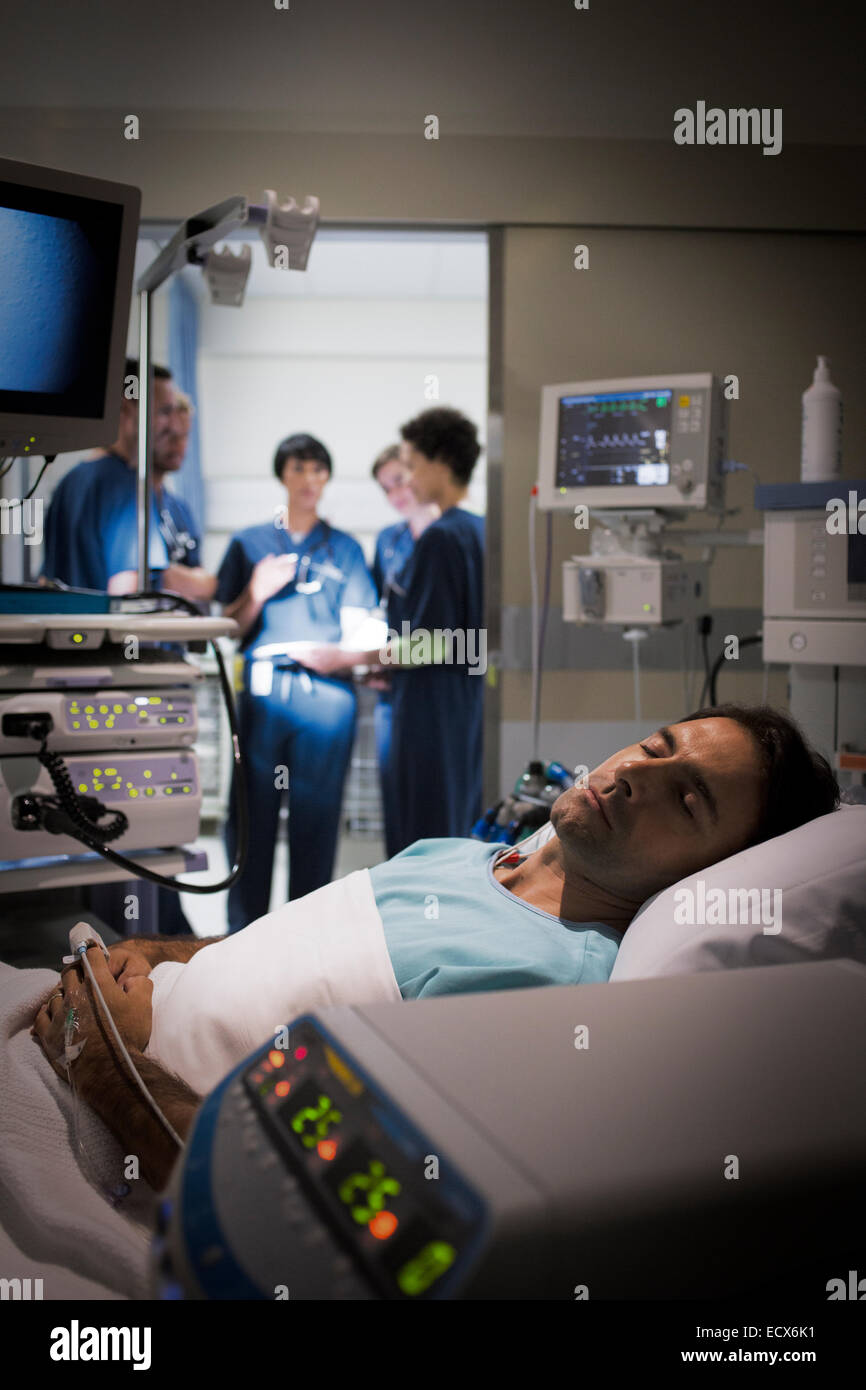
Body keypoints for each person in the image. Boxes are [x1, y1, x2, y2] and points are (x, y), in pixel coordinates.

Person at [33, 704, 840, 1188]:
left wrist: (105, 1062)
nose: (636, 774)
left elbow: (301, 1194)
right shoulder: (462, 858)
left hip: (102, 1130)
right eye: (659, 747)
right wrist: (152, 950)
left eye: (687, 799)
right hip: (85, 1030)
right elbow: (273, 948)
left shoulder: (552, 984)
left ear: (708, 873)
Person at [295, 407, 485, 852]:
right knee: (456, 827)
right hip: (463, 704)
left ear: (438, 462)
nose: (409, 480)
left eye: (412, 466)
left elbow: (429, 645)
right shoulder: (478, 530)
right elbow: (463, 638)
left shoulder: (441, 537)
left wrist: (345, 658)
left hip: (427, 708)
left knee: (421, 837)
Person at [216, 433, 378, 926]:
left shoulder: (345, 549)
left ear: (326, 478)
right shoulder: (250, 544)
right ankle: (242, 935)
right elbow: (230, 625)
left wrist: (349, 656)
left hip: (327, 699)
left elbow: (363, 626)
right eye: (298, 469)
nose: (309, 480)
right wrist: (257, 593)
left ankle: (306, 937)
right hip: (264, 693)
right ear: (282, 475)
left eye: (317, 470)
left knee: (317, 820)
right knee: (250, 819)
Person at [42, 360, 215, 603]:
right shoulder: (124, 486)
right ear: (125, 409)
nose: (174, 425)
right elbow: (129, 588)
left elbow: (46, 582)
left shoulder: (70, 483)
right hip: (120, 640)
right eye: (164, 411)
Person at [369, 443, 439, 857]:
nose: (395, 493)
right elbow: (382, 607)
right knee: (397, 799)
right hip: (394, 683)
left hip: (441, 682)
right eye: (385, 488)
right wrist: (376, 658)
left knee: (438, 800)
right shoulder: (388, 541)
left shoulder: (454, 534)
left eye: (399, 479)